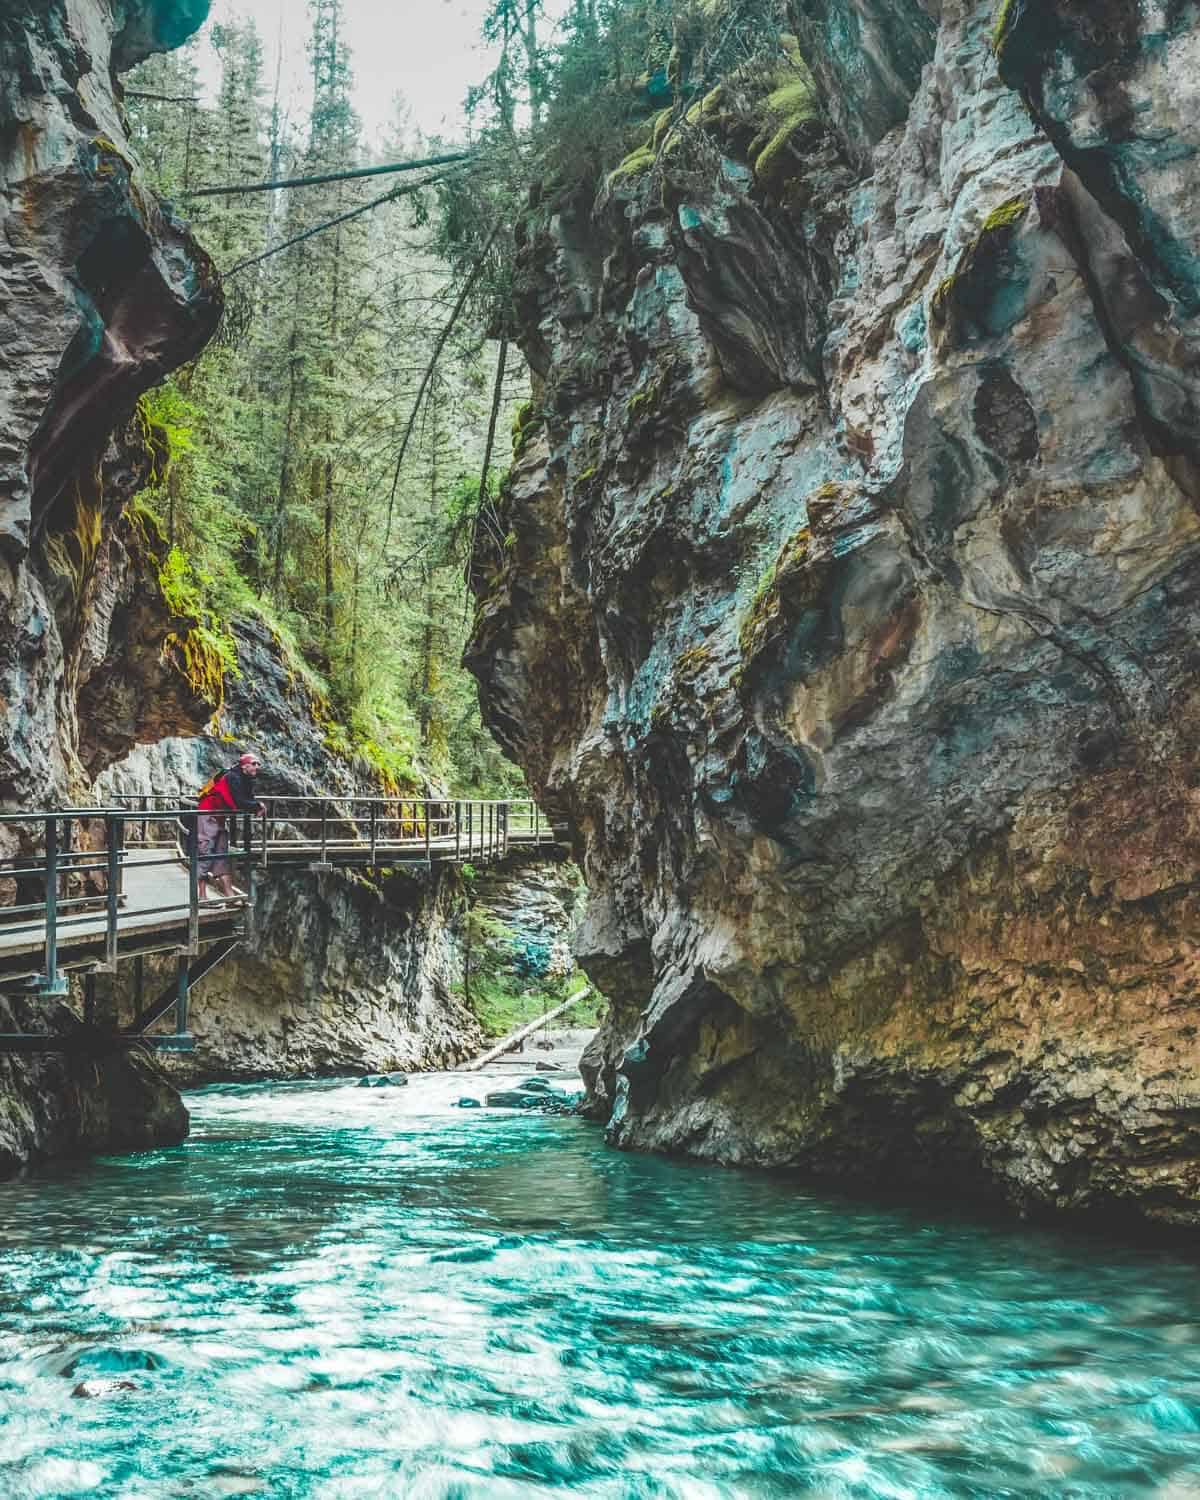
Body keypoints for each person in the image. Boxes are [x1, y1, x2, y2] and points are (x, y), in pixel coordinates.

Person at [196, 751, 264, 904]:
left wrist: (256, 806)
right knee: (205, 853)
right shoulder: (233, 777)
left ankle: (229, 895)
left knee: (221, 854)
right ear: (244, 765)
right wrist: (257, 806)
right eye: (254, 764)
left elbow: (248, 799)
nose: (257, 767)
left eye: (258, 764)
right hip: (208, 814)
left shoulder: (245, 779)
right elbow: (240, 801)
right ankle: (201, 897)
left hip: (219, 817)